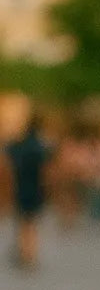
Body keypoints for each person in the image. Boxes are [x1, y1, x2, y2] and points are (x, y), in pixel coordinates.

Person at [5, 114, 52, 269]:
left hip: (21, 188)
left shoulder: (18, 146)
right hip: (36, 188)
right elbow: (47, 169)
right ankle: (30, 253)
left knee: (22, 223)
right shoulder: (39, 147)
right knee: (32, 223)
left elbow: (8, 165)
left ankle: (24, 252)